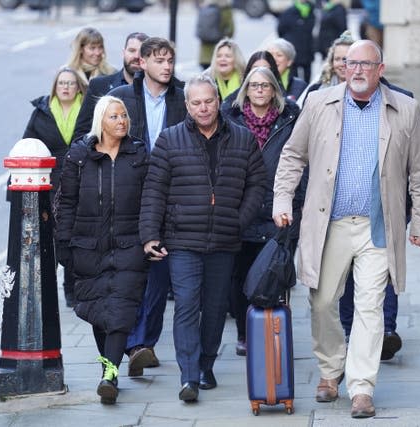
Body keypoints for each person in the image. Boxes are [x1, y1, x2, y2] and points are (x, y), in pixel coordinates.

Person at [272, 40, 420, 418]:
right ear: (342, 68)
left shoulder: (405, 109)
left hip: (378, 227)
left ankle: (361, 386)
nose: (357, 69)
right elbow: (293, 155)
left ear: (381, 69)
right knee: (323, 301)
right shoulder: (319, 103)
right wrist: (283, 200)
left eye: (366, 64)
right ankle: (331, 370)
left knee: (369, 307)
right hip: (329, 224)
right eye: (350, 63)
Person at [140, 74, 267, 402]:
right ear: (187, 105)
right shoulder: (169, 140)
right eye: (196, 102)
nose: (203, 108)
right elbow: (154, 190)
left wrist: (238, 221)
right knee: (185, 304)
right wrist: (150, 235)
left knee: (213, 309)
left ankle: (206, 363)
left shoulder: (242, 138)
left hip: (225, 239)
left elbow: (257, 184)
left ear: (218, 100)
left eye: (209, 101)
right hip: (182, 239)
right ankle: (189, 374)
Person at [54, 95, 150, 405]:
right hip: (88, 246)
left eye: (124, 116)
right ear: (101, 122)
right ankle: (110, 367)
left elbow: (150, 201)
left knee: (121, 310)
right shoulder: (80, 156)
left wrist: (150, 237)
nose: (121, 121)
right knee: (96, 310)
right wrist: (63, 242)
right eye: (114, 117)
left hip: (129, 245)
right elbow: (65, 202)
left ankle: (109, 374)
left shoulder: (138, 154)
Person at [108, 36, 187, 377]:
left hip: (170, 196)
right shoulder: (121, 98)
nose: (166, 66)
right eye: (159, 60)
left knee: (158, 272)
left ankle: (142, 343)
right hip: (129, 195)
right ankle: (132, 342)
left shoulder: (182, 98)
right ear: (142, 63)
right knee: (130, 273)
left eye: (170, 60)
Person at [223, 67, 301, 356]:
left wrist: (296, 202)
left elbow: (301, 162)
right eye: (253, 85)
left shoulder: (289, 119)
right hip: (241, 210)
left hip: (277, 210)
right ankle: (245, 334)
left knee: (272, 276)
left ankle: (272, 334)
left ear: (273, 91)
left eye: (265, 85)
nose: (259, 90)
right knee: (242, 276)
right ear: (246, 89)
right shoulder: (231, 118)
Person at [22, 67, 87, 308]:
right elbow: (26, 146)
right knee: (56, 238)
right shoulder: (42, 113)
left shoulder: (89, 109)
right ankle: (60, 285)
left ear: (78, 87)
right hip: (51, 185)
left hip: (82, 179)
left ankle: (73, 287)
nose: (66, 87)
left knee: (76, 236)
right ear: (55, 87)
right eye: (61, 83)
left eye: (71, 83)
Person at [74, 32, 150, 140]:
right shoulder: (99, 86)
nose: (136, 56)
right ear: (123, 53)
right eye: (132, 50)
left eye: (142, 52)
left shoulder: (157, 90)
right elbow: (81, 132)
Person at [220, 50, 283, 115]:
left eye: (265, 69)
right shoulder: (231, 107)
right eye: (255, 68)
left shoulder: (288, 110)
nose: (259, 72)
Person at [276, 0, 316, 84]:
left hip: (307, 49)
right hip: (293, 50)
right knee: (294, 78)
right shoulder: (289, 12)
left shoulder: (311, 11)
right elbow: (280, 30)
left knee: (307, 77)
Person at [197, 0, 234, 70]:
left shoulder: (205, 5)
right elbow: (231, 30)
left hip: (204, 57)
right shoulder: (225, 8)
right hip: (218, 56)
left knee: (205, 78)